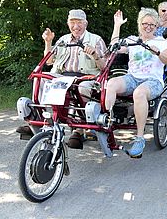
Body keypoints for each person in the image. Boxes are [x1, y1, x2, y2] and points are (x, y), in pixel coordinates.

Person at [16, 9, 107, 149]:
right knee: (40, 79)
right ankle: (38, 121)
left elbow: (104, 67)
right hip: (63, 75)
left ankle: (81, 128)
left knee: (81, 88)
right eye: (72, 22)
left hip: (86, 77)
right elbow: (49, 61)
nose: (76, 26)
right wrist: (48, 42)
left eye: (79, 23)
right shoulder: (63, 40)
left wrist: (94, 54)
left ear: (86, 24)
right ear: (68, 23)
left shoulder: (96, 40)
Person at [105, 8, 167, 157]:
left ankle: (140, 138)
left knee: (139, 93)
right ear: (139, 24)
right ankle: (107, 123)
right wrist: (117, 26)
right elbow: (114, 47)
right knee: (111, 84)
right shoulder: (132, 40)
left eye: (152, 25)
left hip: (153, 81)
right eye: (145, 24)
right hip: (132, 78)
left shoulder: (161, 42)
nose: (148, 27)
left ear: (156, 27)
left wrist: (158, 53)